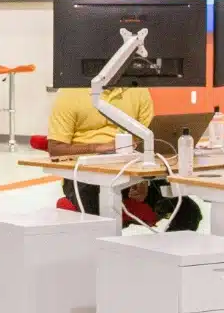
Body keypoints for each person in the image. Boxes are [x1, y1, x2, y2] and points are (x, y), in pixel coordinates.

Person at [46, 85, 200, 230]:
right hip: (84, 174)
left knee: (188, 211)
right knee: (100, 214)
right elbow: (55, 148)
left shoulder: (138, 90)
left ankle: (159, 257)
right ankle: (103, 255)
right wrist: (97, 147)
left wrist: (144, 179)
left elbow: (150, 140)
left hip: (132, 168)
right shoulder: (69, 93)